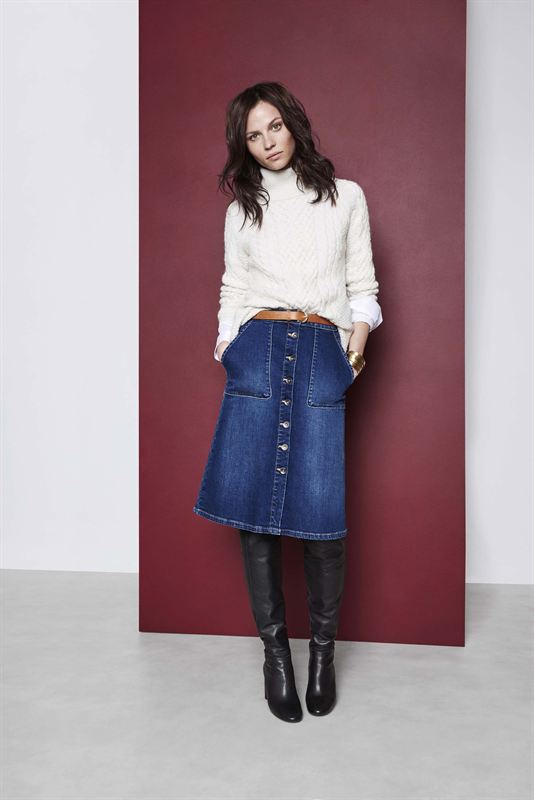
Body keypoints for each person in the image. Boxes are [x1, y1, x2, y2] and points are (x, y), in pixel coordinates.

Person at [193, 82, 383, 723]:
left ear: (293, 123)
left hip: (323, 349)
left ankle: (322, 655)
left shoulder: (346, 197)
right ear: (243, 146)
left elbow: (363, 286)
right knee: (256, 515)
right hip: (260, 347)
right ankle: (276, 656)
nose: (268, 142)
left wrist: (352, 353)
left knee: (322, 515)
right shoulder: (241, 209)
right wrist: (230, 349)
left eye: (274, 126)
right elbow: (233, 287)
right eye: (254, 135)